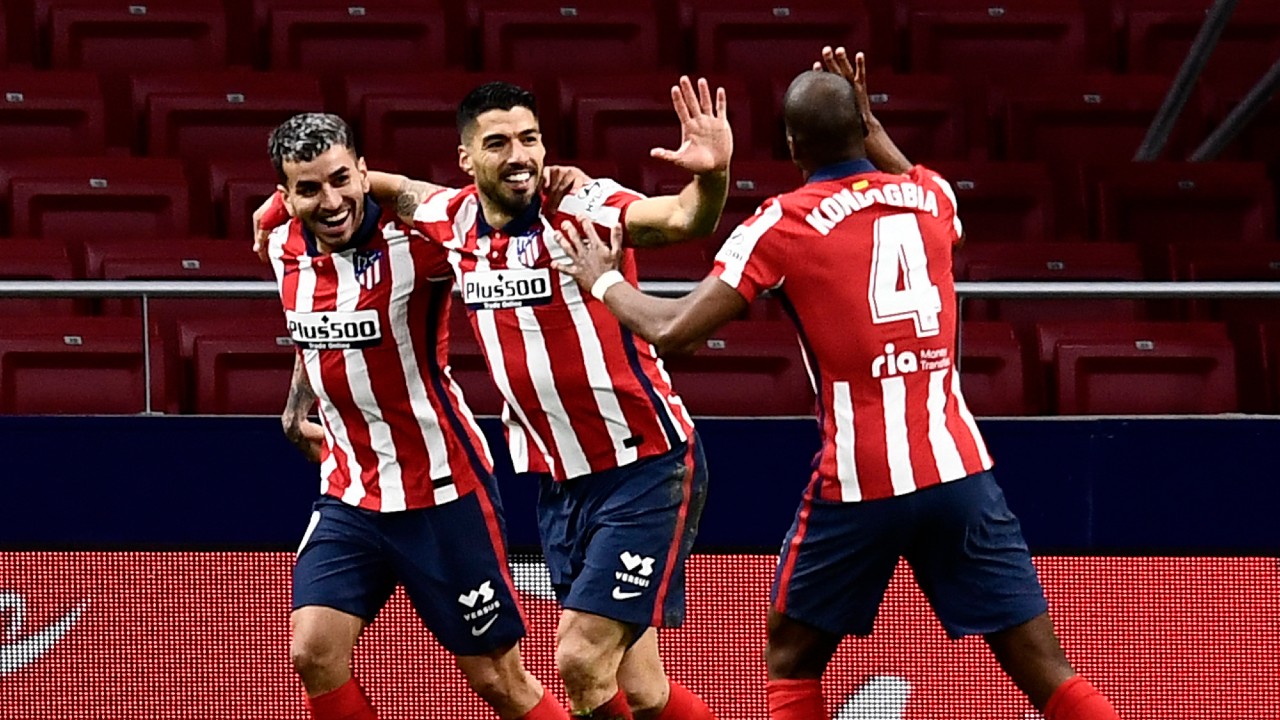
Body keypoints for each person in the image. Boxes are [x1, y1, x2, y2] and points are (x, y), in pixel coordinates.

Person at [548, 48, 1124, 720]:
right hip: (960, 472)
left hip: (860, 480)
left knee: (792, 659)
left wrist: (603, 281)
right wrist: (870, 123)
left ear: (792, 145)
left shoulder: (780, 223)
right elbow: (924, 198)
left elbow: (674, 329)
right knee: (1042, 666)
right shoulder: (932, 195)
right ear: (862, 129)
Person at [257, 77, 730, 720]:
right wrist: (288, 205)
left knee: (577, 664)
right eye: (499, 142)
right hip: (560, 483)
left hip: (644, 465)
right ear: (467, 159)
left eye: (530, 139)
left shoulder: (582, 208)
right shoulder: (448, 222)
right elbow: (377, 206)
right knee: (642, 689)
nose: (519, 155)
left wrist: (712, 177)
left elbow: (680, 218)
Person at [264, 112, 570, 720]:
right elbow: (315, 334)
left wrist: (386, 186)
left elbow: (471, 207)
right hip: (350, 492)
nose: (330, 201)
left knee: (496, 678)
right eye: (308, 189)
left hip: (441, 491)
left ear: (363, 172)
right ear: (285, 195)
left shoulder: (421, 242)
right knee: (313, 650)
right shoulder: (280, 246)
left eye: (341, 180)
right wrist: (300, 393)